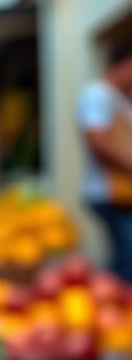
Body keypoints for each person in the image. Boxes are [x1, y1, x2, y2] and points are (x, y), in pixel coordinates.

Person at [77, 42, 132, 278]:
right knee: (127, 256)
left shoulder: (118, 99)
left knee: (125, 254)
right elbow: (98, 142)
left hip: (120, 193)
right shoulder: (98, 94)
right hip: (106, 192)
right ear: (122, 65)